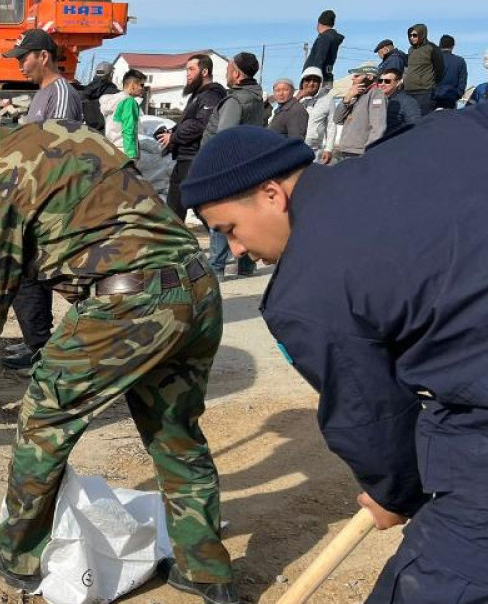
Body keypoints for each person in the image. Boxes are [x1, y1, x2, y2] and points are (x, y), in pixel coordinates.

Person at [0, 103, 235, 602]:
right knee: (175, 431)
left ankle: (18, 554)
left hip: (128, 303)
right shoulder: (62, 132)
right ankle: (206, 568)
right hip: (196, 288)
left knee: (44, 418)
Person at [181, 113, 488, 604]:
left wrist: (395, 491)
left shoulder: (306, 290)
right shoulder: (442, 133)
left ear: (271, 194)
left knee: (435, 582)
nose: (238, 249)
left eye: (231, 229)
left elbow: (370, 412)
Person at [0, 27, 85, 370]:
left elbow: (59, 151)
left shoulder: (60, 93)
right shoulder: (41, 95)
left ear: (43, 57)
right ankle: (37, 343)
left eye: (24, 58)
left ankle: (51, 350)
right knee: (29, 274)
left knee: (44, 273)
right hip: (34, 198)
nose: (20, 65)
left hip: (52, 201)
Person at [201, 51, 264, 277]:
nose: (226, 74)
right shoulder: (256, 97)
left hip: (229, 167)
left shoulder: (236, 100)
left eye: (228, 69)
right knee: (245, 215)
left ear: (236, 74)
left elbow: (224, 138)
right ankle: (246, 265)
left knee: (221, 215)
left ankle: (216, 268)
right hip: (249, 164)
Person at [160, 54, 226, 219]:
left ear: (204, 72)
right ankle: (175, 241)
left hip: (195, 157)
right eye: (186, 70)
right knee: (175, 205)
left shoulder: (211, 95)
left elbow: (200, 124)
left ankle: (224, 240)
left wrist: (174, 137)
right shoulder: (199, 95)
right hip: (185, 156)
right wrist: (172, 132)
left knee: (200, 207)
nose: (187, 73)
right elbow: (189, 121)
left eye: (191, 69)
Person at [332, 63, 388, 161]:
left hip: (360, 153)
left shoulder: (376, 94)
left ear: (370, 77)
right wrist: (346, 99)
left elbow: (378, 127)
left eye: (357, 76)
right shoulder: (355, 95)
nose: (353, 78)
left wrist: (369, 152)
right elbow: (337, 119)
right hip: (347, 150)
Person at [101, 69, 145, 159]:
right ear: (132, 85)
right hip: (125, 151)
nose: (142, 88)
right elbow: (129, 129)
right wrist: (131, 155)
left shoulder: (113, 100)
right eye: (141, 85)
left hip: (111, 148)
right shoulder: (129, 102)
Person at [403, 23, 443, 115]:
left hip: (424, 91)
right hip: (409, 90)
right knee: (410, 118)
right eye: (410, 35)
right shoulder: (411, 49)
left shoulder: (432, 48)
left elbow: (440, 69)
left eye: (415, 35)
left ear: (422, 34)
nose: (412, 38)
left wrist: (431, 83)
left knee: (423, 119)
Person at [303, 9, 344, 88]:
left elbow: (320, 58)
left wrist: (312, 78)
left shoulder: (324, 38)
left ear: (319, 24)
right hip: (326, 77)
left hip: (317, 80)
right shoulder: (332, 38)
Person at [378, 67, 422, 132]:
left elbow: (414, 125)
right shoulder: (375, 100)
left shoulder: (407, 101)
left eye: (387, 81)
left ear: (398, 82)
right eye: (380, 81)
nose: (382, 84)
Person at [80, 61, 119, 132]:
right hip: (106, 131)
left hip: (87, 130)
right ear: (110, 75)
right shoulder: (114, 92)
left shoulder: (86, 90)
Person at [433, 35, 467, 110]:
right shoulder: (460, 61)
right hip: (451, 100)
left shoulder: (432, 60)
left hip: (434, 99)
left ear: (439, 45)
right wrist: (457, 95)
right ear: (453, 46)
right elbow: (462, 83)